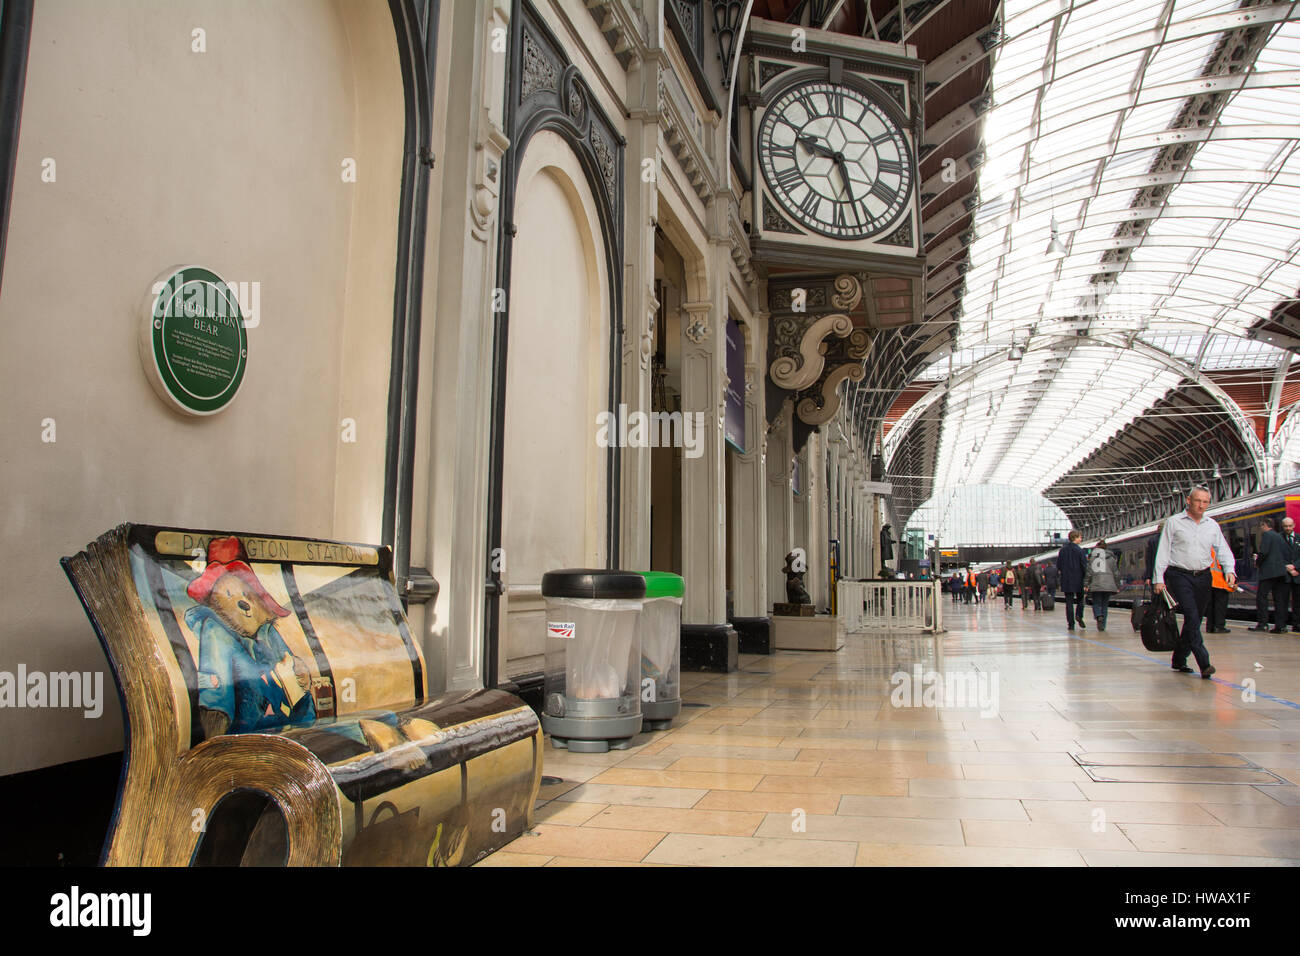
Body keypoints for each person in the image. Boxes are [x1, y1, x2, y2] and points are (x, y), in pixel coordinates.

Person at [1153, 486, 1236, 679]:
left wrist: (1229, 570)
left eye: (1205, 502)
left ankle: (1179, 658)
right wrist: (1158, 578)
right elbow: (1163, 551)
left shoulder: (1212, 525)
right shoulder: (1173, 523)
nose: (1201, 505)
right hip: (1179, 575)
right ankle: (1204, 662)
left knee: (1196, 620)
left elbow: (1222, 549)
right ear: (1188, 500)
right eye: (1198, 501)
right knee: (1191, 615)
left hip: (1204, 577)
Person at [1251, 517, 1288, 633]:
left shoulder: (1267, 535)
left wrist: (1257, 562)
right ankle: (1280, 626)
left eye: (1261, 526)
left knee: (1261, 597)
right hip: (1281, 573)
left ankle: (1263, 624)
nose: (1261, 529)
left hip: (1268, 573)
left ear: (1264, 525)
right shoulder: (1280, 537)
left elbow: (1264, 552)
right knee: (1279, 600)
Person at [1083, 538, 1119, 631]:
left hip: (1096, 584)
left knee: (1096, 603)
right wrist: (1117, 585)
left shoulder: (1093, 558)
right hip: (1108, 585)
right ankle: (1103, 626)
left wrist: (1086, 584)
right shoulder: (1112, 558)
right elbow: (1116, 573)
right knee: (1105, 605)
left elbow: (1089, 573)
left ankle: (1098, 616)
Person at [1057, 530, 1088, 631]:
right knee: (1080, 600)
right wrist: (1085, 577)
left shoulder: (1062, 550)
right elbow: (1084, 566)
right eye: (1080, 537)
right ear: (1075, 537)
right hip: (1078, 579)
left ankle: (1071, 624)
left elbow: (1058, 565)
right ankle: (1079, 615)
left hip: (1066, 580)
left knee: (1069, 603)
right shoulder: (1080, 550)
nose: (1081, 539)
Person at [1206, 550, 1233, 634]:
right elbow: (1225, 565)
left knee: (1210, 606)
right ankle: (1219, 626)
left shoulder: (1209, 549)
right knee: (1220, 606)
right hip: (1220, 581)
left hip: (1210, 580)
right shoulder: (1221, 551)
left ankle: (1210, 627)